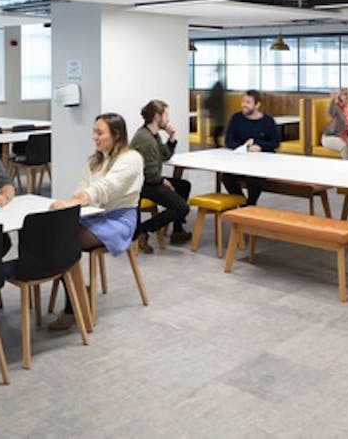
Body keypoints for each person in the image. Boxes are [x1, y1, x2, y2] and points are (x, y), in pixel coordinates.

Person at [47, 113, 144, 330]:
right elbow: (82, 188)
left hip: (119, 219)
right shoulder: (95, 160)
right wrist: (73, 202)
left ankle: (74, 304)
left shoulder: (132, 158)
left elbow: (107, 187)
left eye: (99, 133)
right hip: (92, 214)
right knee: (51, 234)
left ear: (116, 135)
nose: (94, 137)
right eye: (94, 131)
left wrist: (74, 202)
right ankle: (79, 288)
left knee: (65, 241)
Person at [130, 99, 192, 253]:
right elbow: (150, 175)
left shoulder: (153, 134)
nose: (168, 119)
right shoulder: (145, 139)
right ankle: (143, 230)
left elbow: (165, 156)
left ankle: (177, 229)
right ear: (157, 117)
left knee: (183, 185)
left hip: (150, 180)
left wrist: (171, 137)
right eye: (166, 115)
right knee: (182, 207)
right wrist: (163, 181)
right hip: (143, 184)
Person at [222, 90, 279, 205]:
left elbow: (275, 143)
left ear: (257, 105)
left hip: (261, 163)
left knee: (255, 178)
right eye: (243, 101)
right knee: (226, 177)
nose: (244, 105)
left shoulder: (268, 121)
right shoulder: (236, 118)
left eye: (248, 102)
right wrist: (245, 147)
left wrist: (259, 145)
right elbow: (228, 141)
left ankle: (251, 204)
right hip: (240, 161)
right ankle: (243, 203)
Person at [321, 87, 348, 160]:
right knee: (345, 147)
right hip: (331, 137)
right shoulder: (336, 107)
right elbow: (330, 112)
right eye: (344, 94)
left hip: (345, 136)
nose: (347, 96)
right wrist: (333, 99)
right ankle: (347, 168)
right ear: (340, 97)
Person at [204, 77, 225, 147]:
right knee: (219, 128)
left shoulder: (214, 93)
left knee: (218, 129)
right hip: (219, 114)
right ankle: (217, 144)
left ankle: (217, 144)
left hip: (216, 113)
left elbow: (208, 102)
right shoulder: (221, 95)